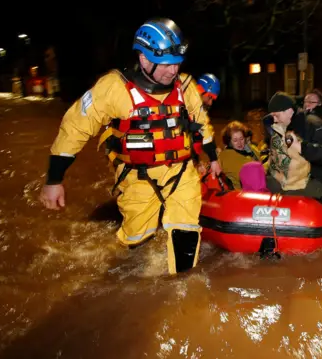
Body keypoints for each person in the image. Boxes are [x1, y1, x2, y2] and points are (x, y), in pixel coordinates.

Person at [38, 18, 222, 275]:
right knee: (137, 238)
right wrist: (54, 179)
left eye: (177, 63)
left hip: (181, 172)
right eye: (168, 64)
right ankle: (130, 276)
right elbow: (75, 128)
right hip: (138, 177)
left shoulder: (187, 87)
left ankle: (182, 286)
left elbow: (202, 124)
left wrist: (212, 157)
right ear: (145, 59)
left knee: (186, 230)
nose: (174, 70)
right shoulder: (113, 88)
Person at [266, 92, 322, 199]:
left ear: (289, 111)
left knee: (288, 197)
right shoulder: (286, 126)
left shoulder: (313, 123)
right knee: (268, 184)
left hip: (321, 179)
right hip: (297, 176)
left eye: (277, 115)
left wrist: (302, 147)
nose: (275, 120)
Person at [218, 121, 264, 190]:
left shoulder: (250, 148)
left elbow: (260, 160)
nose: (239, 143)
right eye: (235, 140)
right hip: (242, 193)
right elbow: (251, 173)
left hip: (257, 186)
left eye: (241, 139)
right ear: (229, 141)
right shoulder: (227, 156)